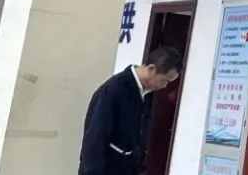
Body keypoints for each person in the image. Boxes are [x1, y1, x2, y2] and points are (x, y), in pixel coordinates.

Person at [79, 46, 184, 175]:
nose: (164, 86)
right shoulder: (112, 91)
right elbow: (95, 140)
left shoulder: (148, 93)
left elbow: (141, 136)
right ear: (151, 69)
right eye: (164, 80)